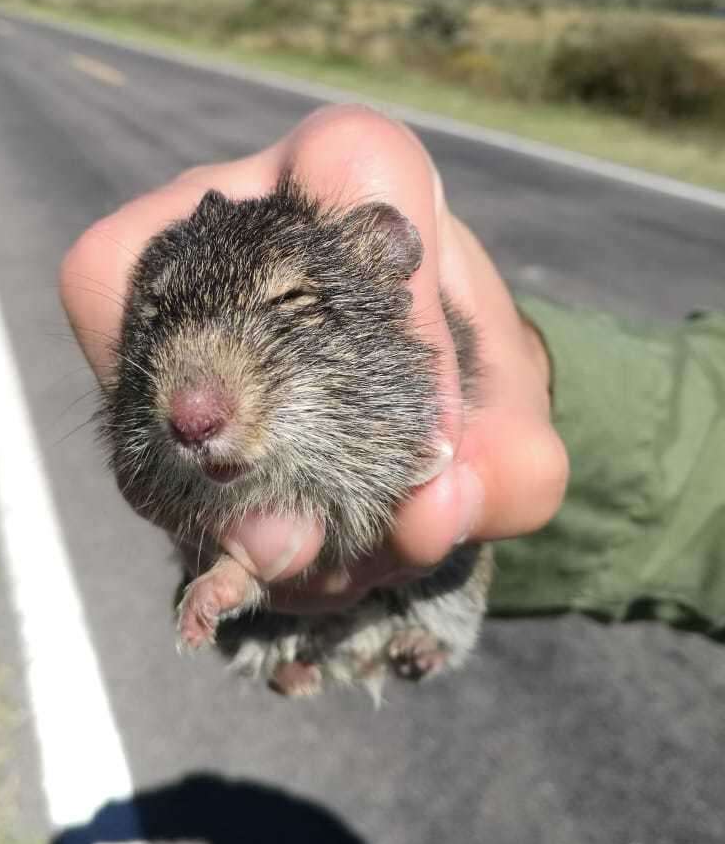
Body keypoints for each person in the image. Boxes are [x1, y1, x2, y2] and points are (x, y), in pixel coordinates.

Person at [61, 104, 725, 634]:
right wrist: (228, 573)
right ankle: (274, 617)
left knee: (428, 558)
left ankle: (377, 629)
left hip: (424, 579)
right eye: (156, 315)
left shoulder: (384, 388)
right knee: (262, 581)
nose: (191, 406)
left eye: (291, 304)